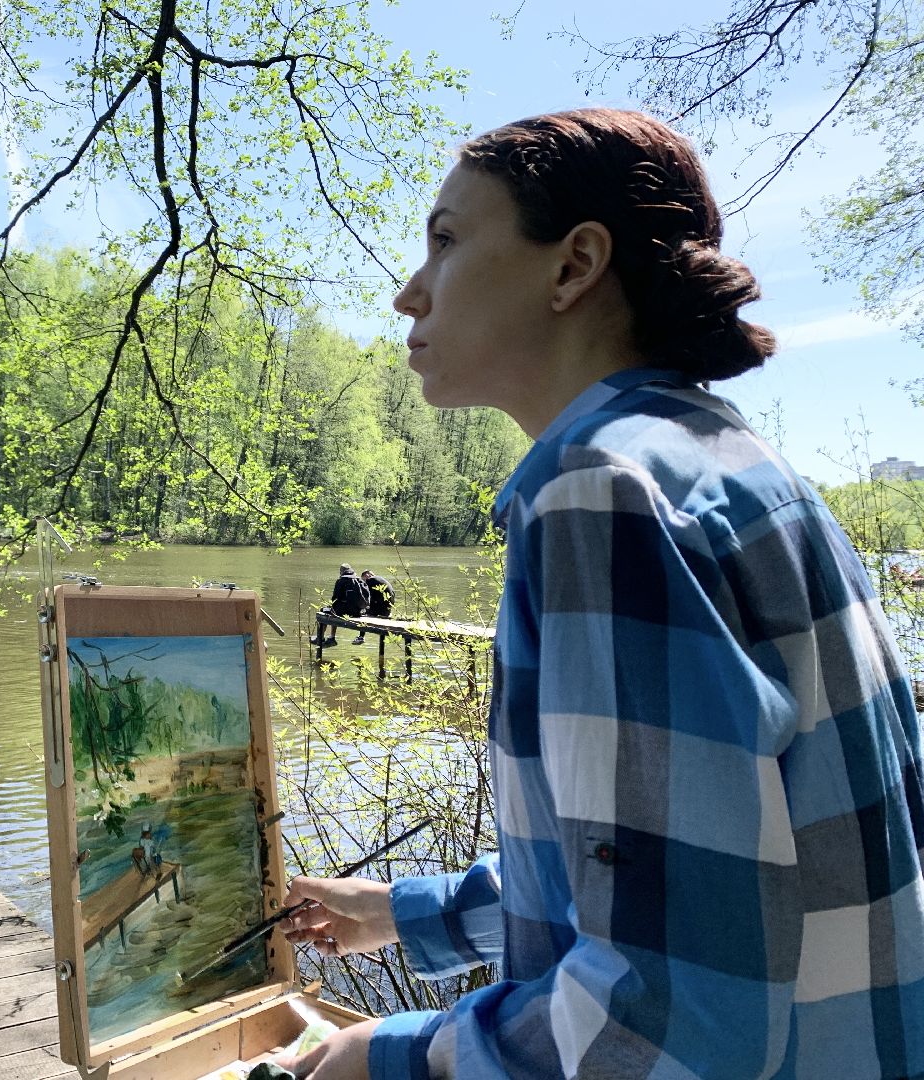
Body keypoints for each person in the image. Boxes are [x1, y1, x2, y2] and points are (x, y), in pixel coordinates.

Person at [276, 108, 924, 1079]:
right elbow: (703, 872)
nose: (409, 292)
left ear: (573, 266)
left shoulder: (599, 489)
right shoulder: (731, 464)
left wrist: (393, 1056)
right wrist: (410, 914)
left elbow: (664, 1020)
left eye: (445, 240)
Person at [314, 564, 369, 647]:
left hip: (341, 612)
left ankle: (322, 638)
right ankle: (331, 638)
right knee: (335, 609)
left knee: (324, 610)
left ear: (341, 572)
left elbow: (335, 599)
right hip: (356, 612)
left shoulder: (341, 581)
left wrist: (332, 607)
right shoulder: (359, 581)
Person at [352, 570, 395, 644]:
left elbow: (366, 598)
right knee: (367, 608)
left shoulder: (370, 580)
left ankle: (361, 637)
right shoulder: (380, 580)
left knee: (363, 613)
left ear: (367, 575)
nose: (364, 583)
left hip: (382, 610)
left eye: (363, 580)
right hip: (387, 610)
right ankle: (361, 636)